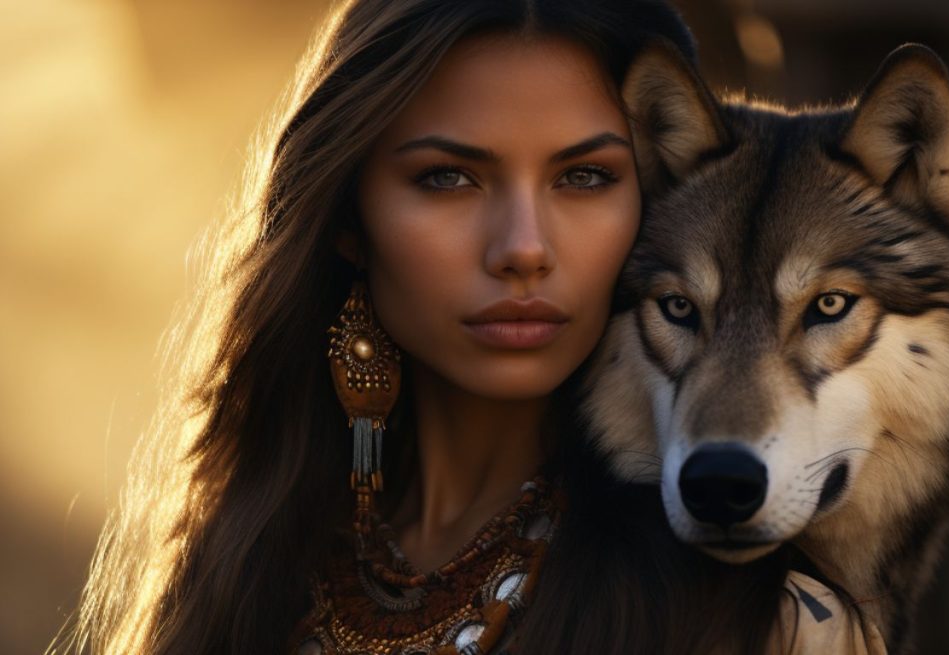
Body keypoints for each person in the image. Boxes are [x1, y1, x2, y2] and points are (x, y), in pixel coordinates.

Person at [56, 1, 882, 654]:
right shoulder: (247, 558)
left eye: (585, 176)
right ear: (350, 219)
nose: (523, 247)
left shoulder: (766, 625)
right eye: (449, 177)